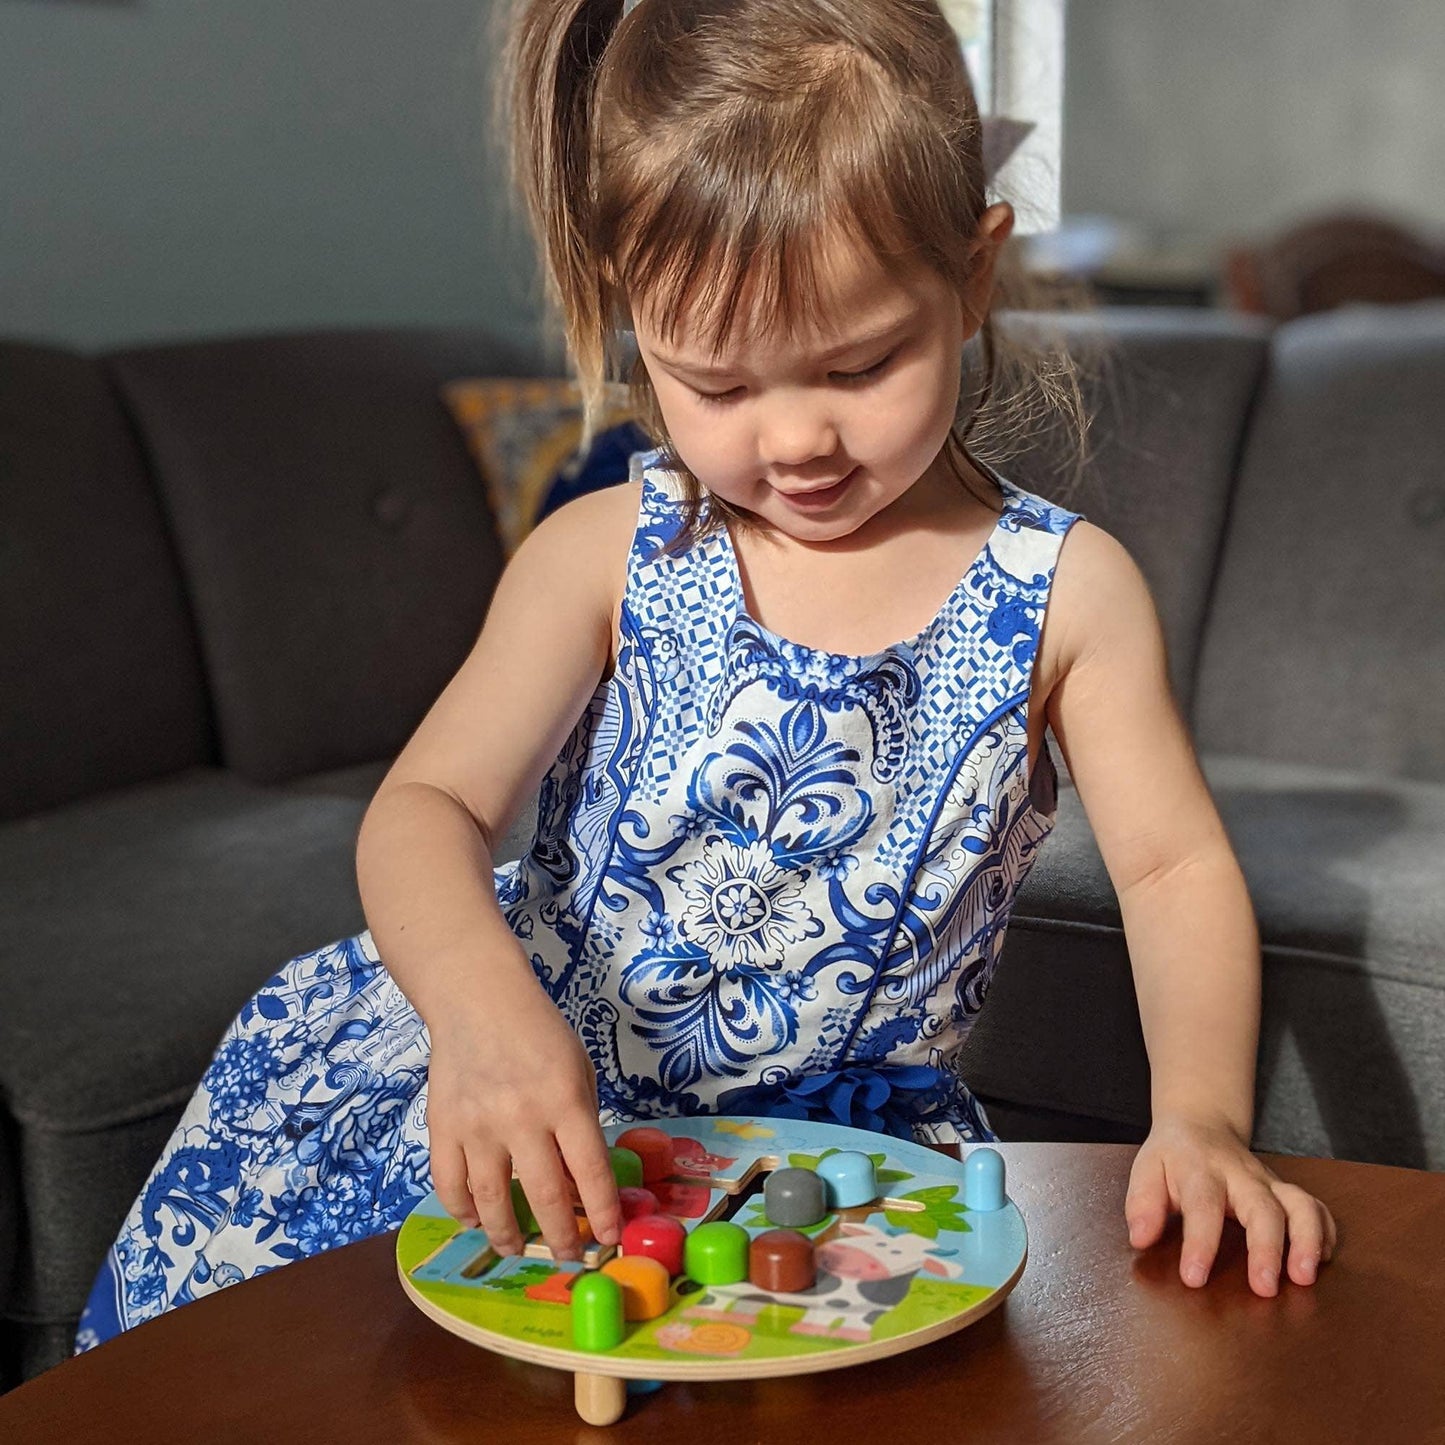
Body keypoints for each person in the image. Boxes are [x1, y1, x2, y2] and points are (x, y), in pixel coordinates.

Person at [75, 0, 1334, 1353]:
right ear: (632, 319)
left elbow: (1170, 871)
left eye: (860, 364)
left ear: (973, 277)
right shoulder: (605, 553)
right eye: (714, 384)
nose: (795, 439)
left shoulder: (1069, 596)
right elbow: (425, 807)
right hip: (549, 1122)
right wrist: (483, 1019)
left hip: (836, 1173)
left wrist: (1197, 1117)